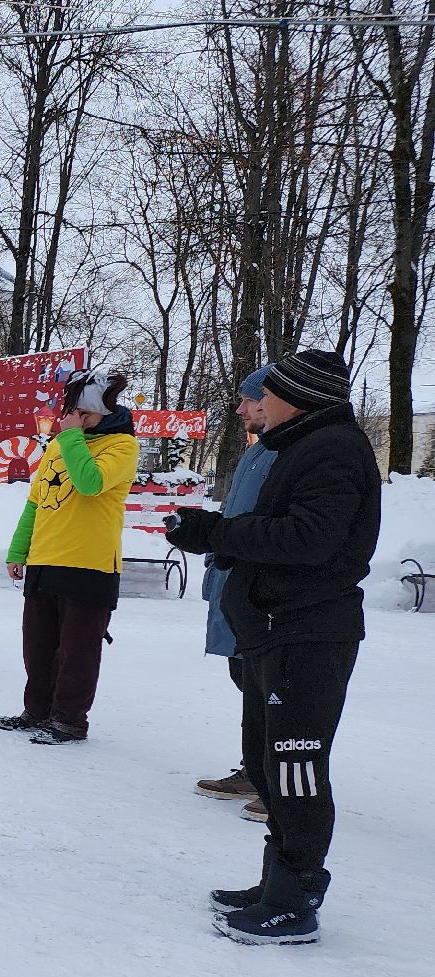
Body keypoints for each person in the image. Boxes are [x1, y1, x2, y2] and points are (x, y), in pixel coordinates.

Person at [167, 348, 381, 945]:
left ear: (295, 398)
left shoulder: (333, 449)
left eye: (267, 392)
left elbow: (310, 540)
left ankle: (296, 898)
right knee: (270, 764)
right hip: (274, 629)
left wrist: (215, 533)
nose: (255, 402)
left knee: (296, 769)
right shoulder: (303, 446)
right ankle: (275, 884)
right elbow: (286, 534)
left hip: (309, 635)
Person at [0, 370, 139, 744]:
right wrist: (18, 549)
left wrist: (71, 435)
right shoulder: (61, 445)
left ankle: (69, 719)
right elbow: (36, 501)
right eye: (70, 413)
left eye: (82, 414)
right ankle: (37, 710)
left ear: (101, 413)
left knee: (78, 650)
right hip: (46, 559)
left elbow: (89, 483)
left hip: (89, 563)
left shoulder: (122, 447)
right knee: (38, 646)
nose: (72, 420)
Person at [193, 365, 280, 822]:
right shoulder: (256, 450)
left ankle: (278, 782)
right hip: (233, 584)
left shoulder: (288, 452)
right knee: (245, 680)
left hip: (262, 591)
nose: (240, 408)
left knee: (271, 686)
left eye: (248, 399)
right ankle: (254, 769)